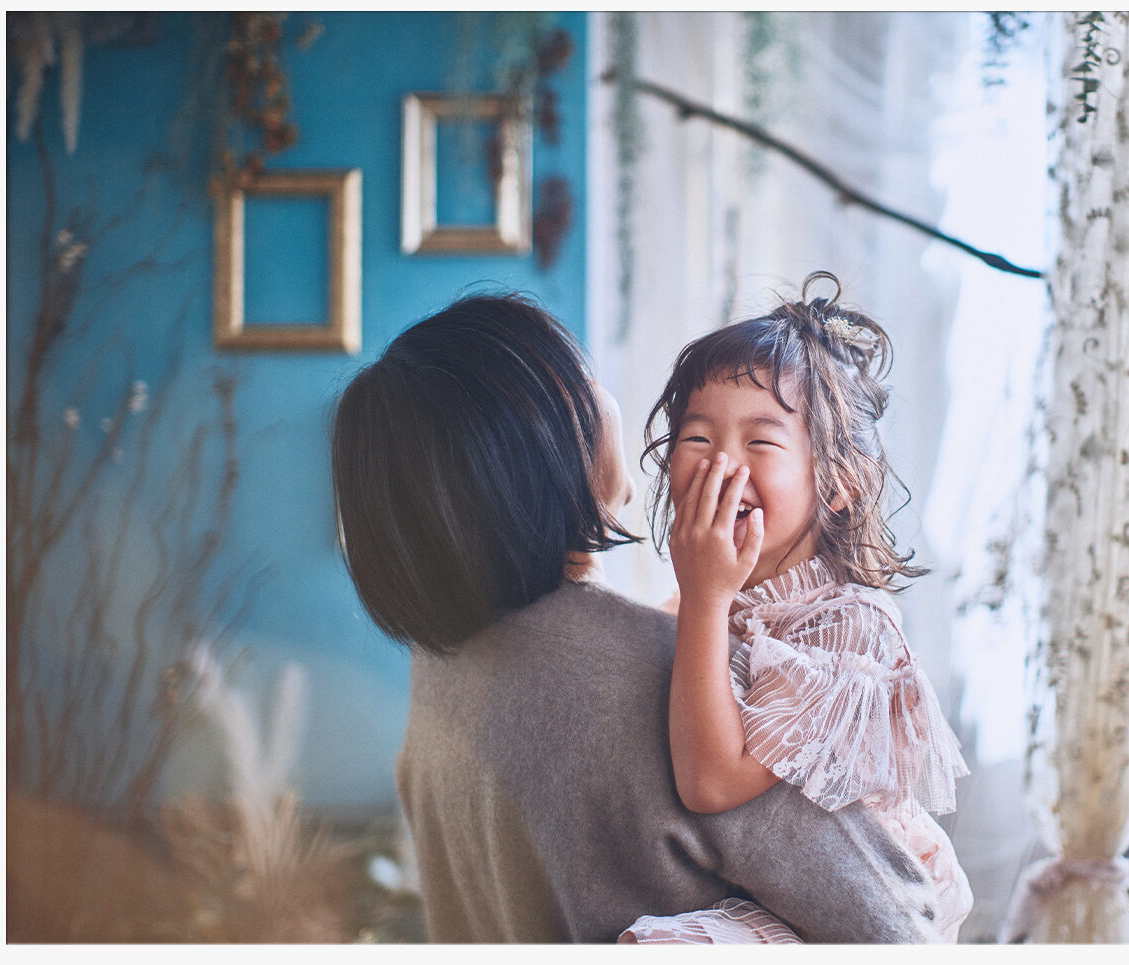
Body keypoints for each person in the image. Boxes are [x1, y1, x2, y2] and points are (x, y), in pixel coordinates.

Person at [330, 291, 948, 943]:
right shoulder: (665, 674)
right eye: (580, 377)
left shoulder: (444, 669)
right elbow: (898, 923)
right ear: (538, 437)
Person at [620, 272, 973, 943]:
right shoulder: (716, 605)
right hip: (769, 886)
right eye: (697, 438)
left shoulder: (850, 625)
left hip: (861, 904)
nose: (722, 465)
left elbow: (711, 783)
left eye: (759, 442)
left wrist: (703, 598)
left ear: (838, 483)